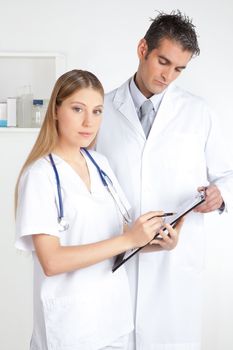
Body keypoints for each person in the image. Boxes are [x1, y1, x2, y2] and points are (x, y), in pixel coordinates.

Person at [15, 69, 183, 350]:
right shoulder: (40, 175)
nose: (88, 121)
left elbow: (119, 242)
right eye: (77, 109)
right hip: (70, 329)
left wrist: (157, 243)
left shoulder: (100, 164)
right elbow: (52, 261)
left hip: (112, 321)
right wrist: (129, 239)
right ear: (56, 110)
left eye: (97, 111)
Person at [96, 10, 233, 350]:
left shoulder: (198, 112)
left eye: (179, 69)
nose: (169, 76)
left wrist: (220, 195)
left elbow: (227, 174)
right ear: (143, 48)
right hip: (116, 257)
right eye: (163, 61)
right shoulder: (102, 110)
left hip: (173, 266)